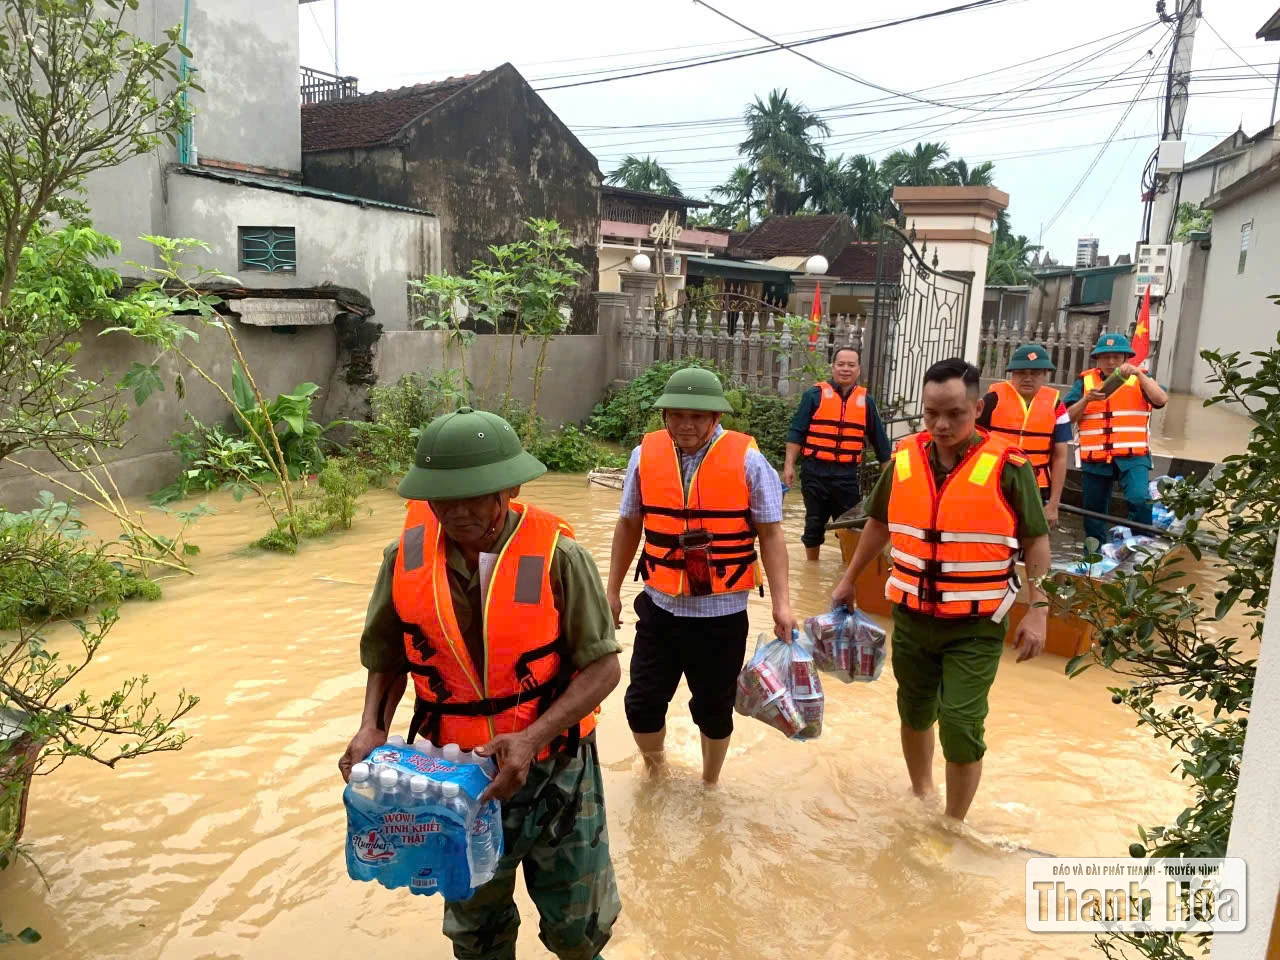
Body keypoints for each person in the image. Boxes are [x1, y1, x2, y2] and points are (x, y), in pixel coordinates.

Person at [339, 406, 622, 960]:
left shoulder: (561, 557)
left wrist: (532, 738)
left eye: (474, 496)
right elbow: (389, 656)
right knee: (476, 933)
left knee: (578, 931)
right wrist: (372, 725)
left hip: (557, 770)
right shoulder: (403, 559)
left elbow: (604, 667)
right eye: (444, 498)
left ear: (509, 488)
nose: (459, 511)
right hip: (454, 776)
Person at [832, 358, 1051, 823]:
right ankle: (921, 796)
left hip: (976, 623)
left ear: (977, 409)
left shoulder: (1010, 467)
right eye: (931, 414)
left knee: (959, 722)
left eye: (955, 413)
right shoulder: (904, 459)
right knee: (913, 711)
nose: (942, 425)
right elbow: (878, 523)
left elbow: (1036, 540)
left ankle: (953, 824)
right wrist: (848, 579)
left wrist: (1039, 608)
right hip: (913, 617)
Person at [606, 367, 796, 786]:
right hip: (659, 607)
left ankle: (710, 783)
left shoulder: (749, 460)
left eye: (697, 416)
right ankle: (656, 772)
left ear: (715, 418)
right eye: (677, 415)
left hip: (720, 616)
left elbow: (771, 533)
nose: (686, 425)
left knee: (713, 710)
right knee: (641, 705)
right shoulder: (643, 455)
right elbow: (628, 524)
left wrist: (782, 605)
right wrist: (612, 592)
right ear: (665, 416)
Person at [782, 346, 893, 560]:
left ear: (858, 370)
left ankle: (847, 568)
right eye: (841, 364)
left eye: (851, 365)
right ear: (833, 367)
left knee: (850, 526)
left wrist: (889, 481)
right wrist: (789, 465)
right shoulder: (814, 395)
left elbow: (880, 443)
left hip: (846, 474)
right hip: (815, 471)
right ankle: (812, 567)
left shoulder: (866, 401)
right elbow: (797, 432)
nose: (845, 369)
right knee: (814, 523)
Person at [1064, 332, 1169, 544]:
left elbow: (1161, 400)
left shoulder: (1141, 379)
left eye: (1116, 357)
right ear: (1097, 359)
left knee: (1139, 500)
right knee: (1093, 514)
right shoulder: (1084, 383)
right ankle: (1094, 555)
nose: (1111, 362)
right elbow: (1066, 418)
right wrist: (1086, 400)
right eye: (1105, 357)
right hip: (1095, 458)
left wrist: (1139, 375)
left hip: (1133, 456)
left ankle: (1140, 547)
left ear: (1125, 359)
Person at [976, 343, 1072, 526]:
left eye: (1035, 373)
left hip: (1037, 485)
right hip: (993, 479)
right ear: (1012, 374)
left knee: (1032, 537)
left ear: (1045, 374)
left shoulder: (1057, 406)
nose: (1028, 378)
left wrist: (1053, 505)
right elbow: (972, 444)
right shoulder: (991, 400)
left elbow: (1060, 457)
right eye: (1021, 372)